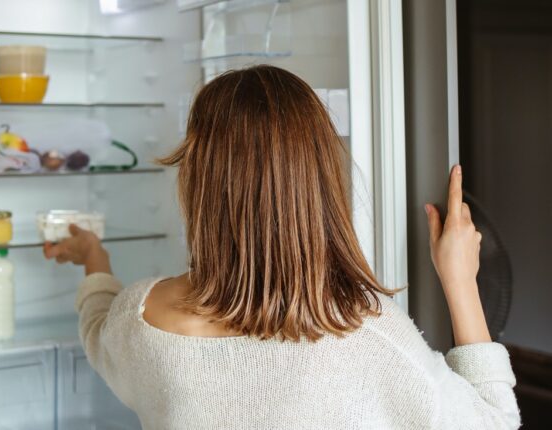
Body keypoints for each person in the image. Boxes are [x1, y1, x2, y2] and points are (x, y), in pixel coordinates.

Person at [43, 65, 520, 429]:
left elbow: (98, 330)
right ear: (320, 182)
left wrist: (93, 257)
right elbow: (495, 421)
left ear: (200, 185)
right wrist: (460, 281)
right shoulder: (370, 338)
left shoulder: (142, 318)